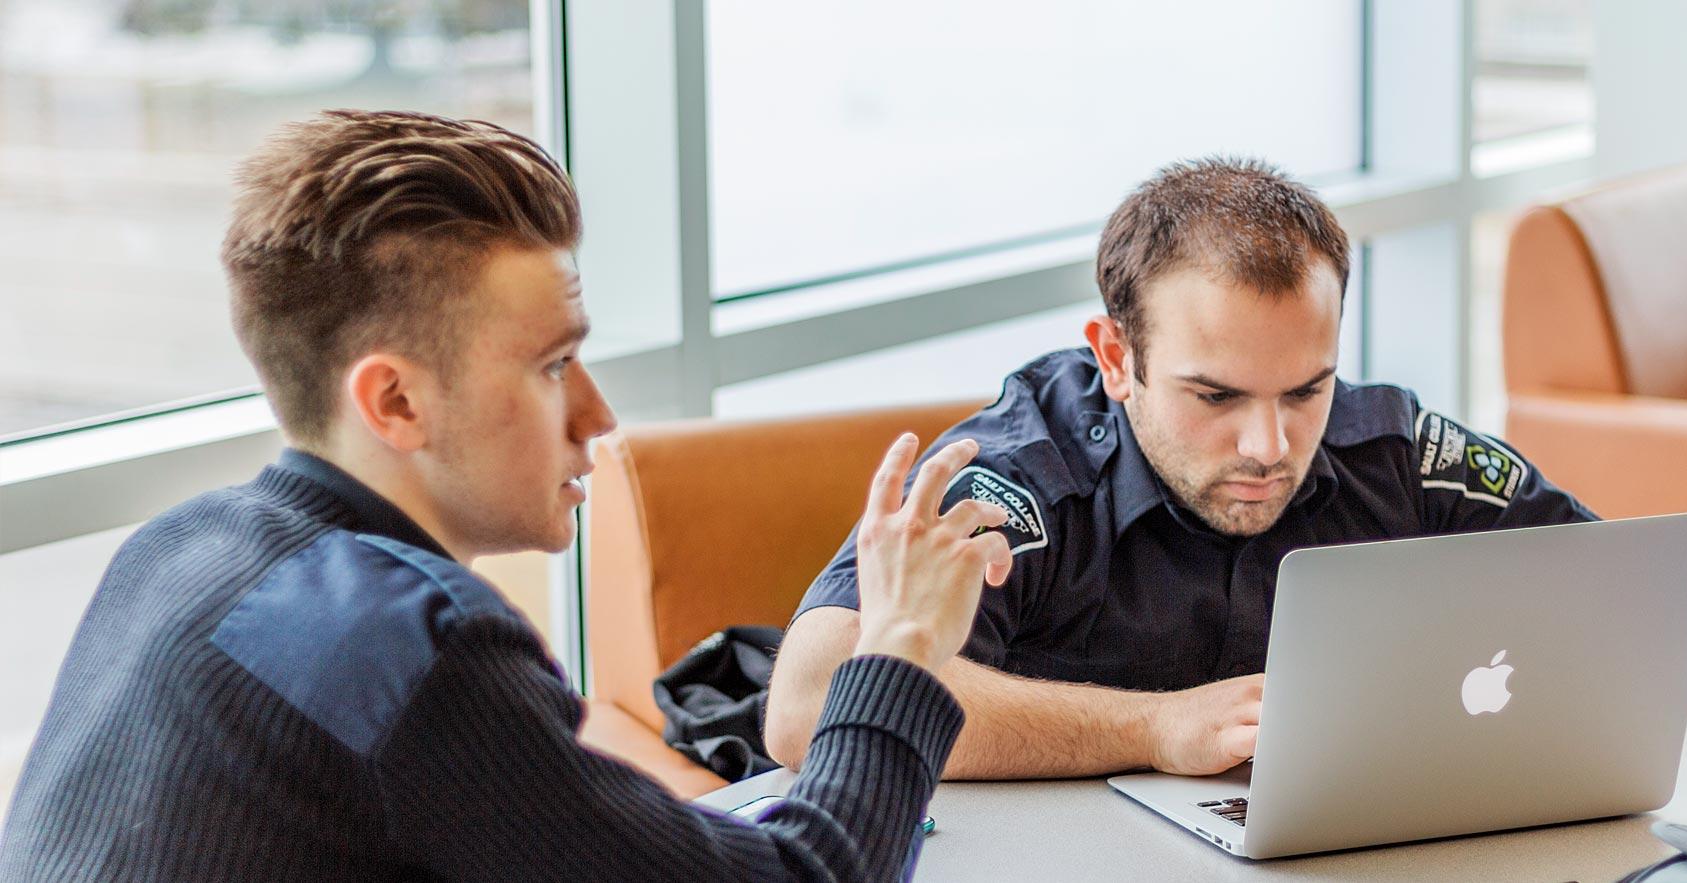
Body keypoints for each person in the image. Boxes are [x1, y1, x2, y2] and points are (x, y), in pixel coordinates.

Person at [0, 110, 1013, 881]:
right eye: (551, 365)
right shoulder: (406, 644)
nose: (598, 415)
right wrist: (902, 643)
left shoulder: (177, 546)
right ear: (394, 400)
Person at [764, 157, 1597, 780]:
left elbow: (1613, 587)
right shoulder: (1019, 483)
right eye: (1216, 396)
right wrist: (1154, 727)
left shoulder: (1398, 452)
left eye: (1307, 388)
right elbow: (808, 707)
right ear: (1118, 357)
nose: (1269, 445)